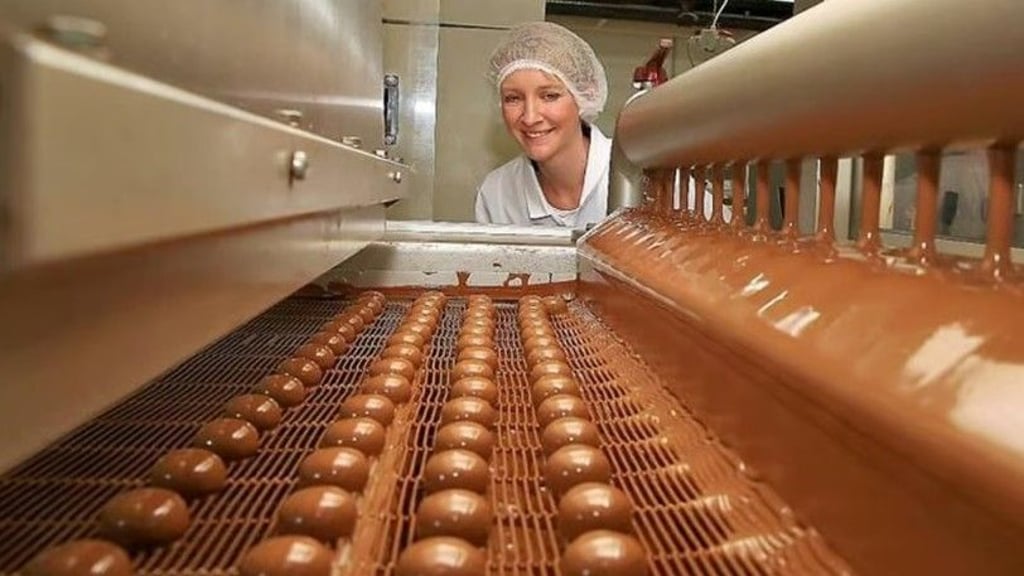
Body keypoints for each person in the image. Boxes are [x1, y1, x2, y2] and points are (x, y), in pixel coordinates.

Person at [475, 22, 611, 228]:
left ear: (584, 95)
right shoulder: (497, 193)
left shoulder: (640, 176)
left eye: (549, 96)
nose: (530, 118)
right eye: (513, 98)